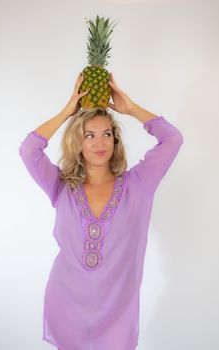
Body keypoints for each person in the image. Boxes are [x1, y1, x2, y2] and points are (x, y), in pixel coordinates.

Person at [18, 73, 184, 350]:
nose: (100, 142)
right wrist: (67, 111)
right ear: (78, 143)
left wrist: (130, 109)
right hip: (67, 305)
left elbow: (173, 139)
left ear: (115, 141)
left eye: (107, 134)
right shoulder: (61, 186)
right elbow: (28, 150)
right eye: (89, 135)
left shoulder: (139, 184)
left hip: (118, 314)